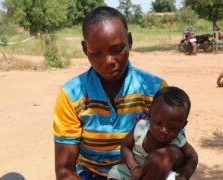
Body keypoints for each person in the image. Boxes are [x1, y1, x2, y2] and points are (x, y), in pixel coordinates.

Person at [52, 6, 184, 180]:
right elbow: (65, 171)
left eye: (117, 50)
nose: (108, 62)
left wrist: (171, 155)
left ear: (129, 42)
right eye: (96, 53)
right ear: (85, 49)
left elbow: (180, 149)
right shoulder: (71, 95)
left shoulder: (154, 89)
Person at [108, 87, 198, 180]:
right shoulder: (141, 128)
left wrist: (184, 175)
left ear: (183, 125)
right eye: (158, 123)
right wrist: (134, 168)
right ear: (150, 113)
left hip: (162, 176)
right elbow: (125, 146)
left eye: (172, 128)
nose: (163, 130)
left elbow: (193, 157)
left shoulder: (177, 140)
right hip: (134, 172)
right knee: (115, 172)